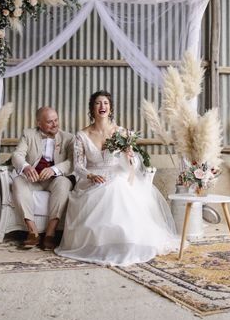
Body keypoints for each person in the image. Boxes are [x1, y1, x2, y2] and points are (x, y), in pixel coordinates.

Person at [55, 90, 179, 266]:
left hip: (118, 174)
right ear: (92, 109)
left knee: (117, 185)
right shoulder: (81, 136)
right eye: (98, 103)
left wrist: (130, 156)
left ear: (110, 108)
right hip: (91, 177)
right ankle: (101, 244)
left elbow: (134, 165)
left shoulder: (121, 132)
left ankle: (127, 240)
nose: (102, 106)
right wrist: (90, 175)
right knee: (108, 187)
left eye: (105, 103)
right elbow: (78, 166)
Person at [10, 106, 74, 250]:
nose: (55, 124)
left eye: (56, 120)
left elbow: (71, 162)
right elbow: (17, 155)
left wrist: (54, 170)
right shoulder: (28, 134)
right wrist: (26, 167)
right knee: (18, 181)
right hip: (33, 179)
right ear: (39, 123)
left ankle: (50, 234)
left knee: (64, 183)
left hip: (54, 179)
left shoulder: (68, 138)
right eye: (50, 122)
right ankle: (33, 233)